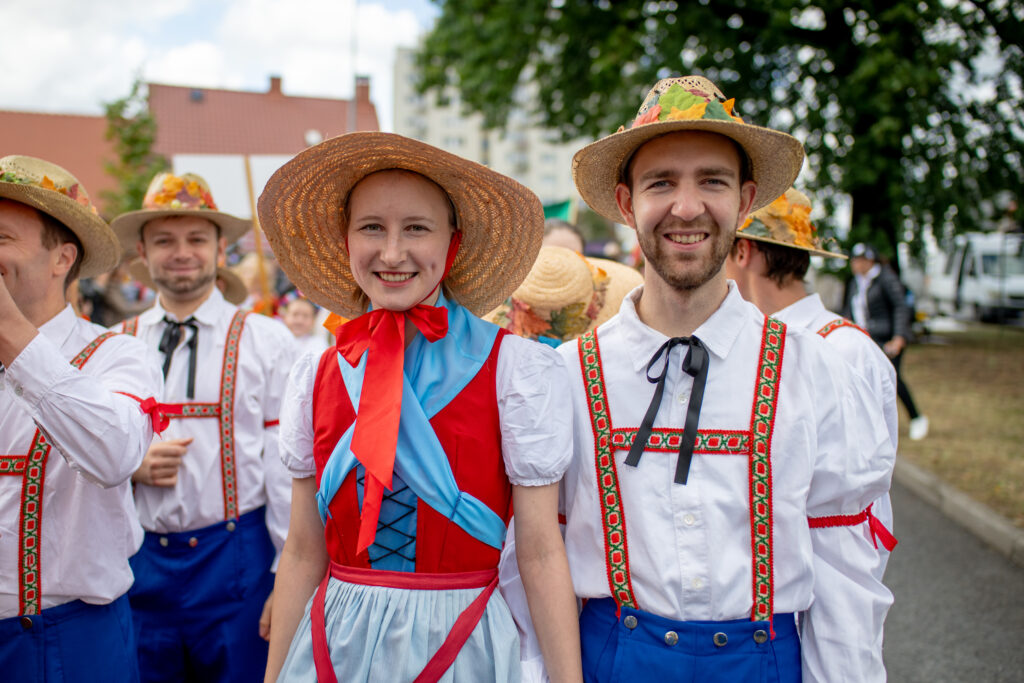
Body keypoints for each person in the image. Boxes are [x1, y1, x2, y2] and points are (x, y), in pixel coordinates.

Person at [563, 75, 894, 682]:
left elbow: (846, 575)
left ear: (744, 203)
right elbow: (533, 565)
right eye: (661, 182)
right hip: (608, 662)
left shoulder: (813, 367)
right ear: (626, 201)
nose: (687, 208)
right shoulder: (568, 375)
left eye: (711, 181)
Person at [258, 131, 581, 683]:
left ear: (452, 243)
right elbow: (302, 552)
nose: (391, 252)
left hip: (463, 640)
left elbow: (540, 552)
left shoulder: (514, 370)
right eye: (371, 228)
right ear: (346, 242)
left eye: (416, 228)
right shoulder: (315, 374)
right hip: (334, 641)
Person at [110, 172, 298, 682]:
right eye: (165, 241)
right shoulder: (111, 346)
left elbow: (287, 470)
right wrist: (127, 465)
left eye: (196, 239)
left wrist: (287, 575)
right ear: (143, 253)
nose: (181, 252)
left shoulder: (266, 340)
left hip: (239, 565)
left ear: (220, 250)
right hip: (137, 566)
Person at [0, 155, 162, 682]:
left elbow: (114, 455)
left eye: (2, 238)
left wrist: (10, 333)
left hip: (74, 639)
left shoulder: (120, 354)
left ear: (61, 258)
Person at [725, 188, 899, 581]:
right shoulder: (748, 344)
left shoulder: (845, 350)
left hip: (820, 591)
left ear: (742, 252)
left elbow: (853, 509)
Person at [843, 243, 929, 440]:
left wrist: (899, 337)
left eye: (859, 260)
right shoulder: (855, 283)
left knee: (893, 380)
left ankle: (916, 417)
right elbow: (849, 309)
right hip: (864, 340)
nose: (855, 265)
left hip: (886, 338)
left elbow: (900, 307)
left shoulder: (886, 278)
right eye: (854, 260)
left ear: (869, 261)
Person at [278, 291, 330, 357]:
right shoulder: (277, 342)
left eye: (306, 316)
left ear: (313, 321)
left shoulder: (319, 345)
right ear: (284, 317)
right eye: (295, 314)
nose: (300, 321)